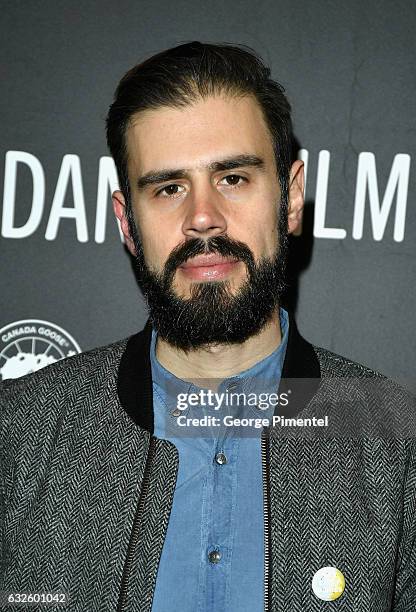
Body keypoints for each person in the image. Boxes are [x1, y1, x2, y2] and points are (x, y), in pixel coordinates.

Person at [0, 41, 415, 612]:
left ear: (291, 197)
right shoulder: (17, 435)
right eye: (168, 188)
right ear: (126, 222)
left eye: (233, 178)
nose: (201, 218)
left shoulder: (399, 451)